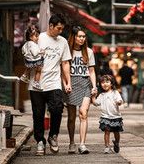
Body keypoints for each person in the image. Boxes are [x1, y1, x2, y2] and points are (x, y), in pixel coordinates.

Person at [28, 13, 72, 156]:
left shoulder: (63, 42)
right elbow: (27, 55)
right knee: (38, 114)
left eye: (62, 29)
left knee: (57, 109)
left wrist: (67, 83)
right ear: (51, 26)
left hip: (54, 83)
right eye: (58, 28)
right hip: (36, 84)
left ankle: (53, 135)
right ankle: (40, 142)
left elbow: (65, 63)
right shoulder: (38, 38)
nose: (60, 32)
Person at [62, 26, 97, 154]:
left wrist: (94, 86)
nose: (82, 39)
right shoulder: (67, 52)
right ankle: (72, 142)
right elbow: (63, 71)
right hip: (72, 84)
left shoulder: (89, 52)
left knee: (83, 113)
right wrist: (65, 84)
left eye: (83, 36)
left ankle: (82, 144)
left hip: (85, 83)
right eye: (79, 36)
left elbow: (92, 71)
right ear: (74, 37)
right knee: (71, 117)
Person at [91, 75, 124, 154]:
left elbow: (120, 100)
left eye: (107, 82)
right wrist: (93, 97)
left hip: (116, 116)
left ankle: (116, 142)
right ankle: (107, 146)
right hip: (105, 116)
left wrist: (119, 102)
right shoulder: (101, 95)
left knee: (116, 132)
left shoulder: (115, 93)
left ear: (111, 83)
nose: (105, 84)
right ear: (100, 85)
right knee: (107, 131)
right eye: (103, 83)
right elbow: (96, 103)